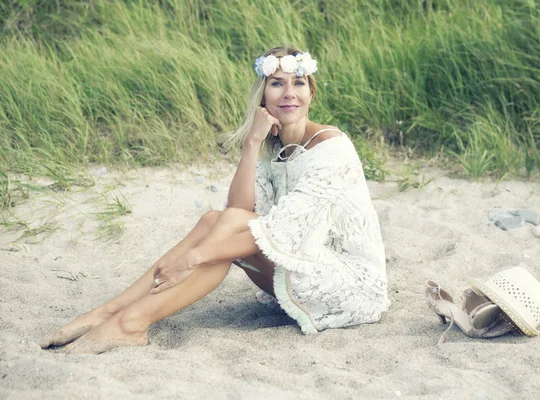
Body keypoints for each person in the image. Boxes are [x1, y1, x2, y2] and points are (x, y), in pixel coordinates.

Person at [40, 45, 389, 354]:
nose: (289, 93)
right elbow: (239, 209)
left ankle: (129, 323)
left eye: (298, 83)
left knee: (223, 231)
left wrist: (191, 259)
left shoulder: (332, 148)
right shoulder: (272, 145)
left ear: (311, 92)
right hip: (303, 264)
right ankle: (110, 312)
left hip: (348, 284)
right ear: (263, 95)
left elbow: (280, 231)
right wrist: (252, 143)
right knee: (213, 220)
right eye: (277, 83)